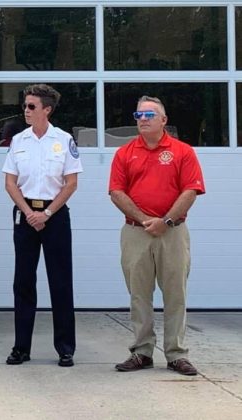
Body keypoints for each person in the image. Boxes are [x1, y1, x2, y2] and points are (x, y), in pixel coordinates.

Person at [109, 96, 205, 376]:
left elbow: (190, 190)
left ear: (164, 120)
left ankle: (176, 354)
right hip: (135, 233)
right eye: (139, 114)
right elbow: (116, 192)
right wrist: (144, 220)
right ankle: (142, 352)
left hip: (173, 233)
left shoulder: (182, 151)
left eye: (150, 114)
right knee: (139, 295)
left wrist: (165, 221)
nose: (143, 119)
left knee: (176, 294)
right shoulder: (125, 153)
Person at [2, 84, 82, 367]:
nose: (26, 110)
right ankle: (21, 347)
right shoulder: (19, 141)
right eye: (25, 105)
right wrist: (28, 213)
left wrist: (46, 213)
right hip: (25, 214)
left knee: (60, 282)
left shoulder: (63, 140)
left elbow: (71, 183)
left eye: (32, 106)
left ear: (47, 110)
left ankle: (65, 348)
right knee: (23, 282)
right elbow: (10, 182)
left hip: (55, 215)